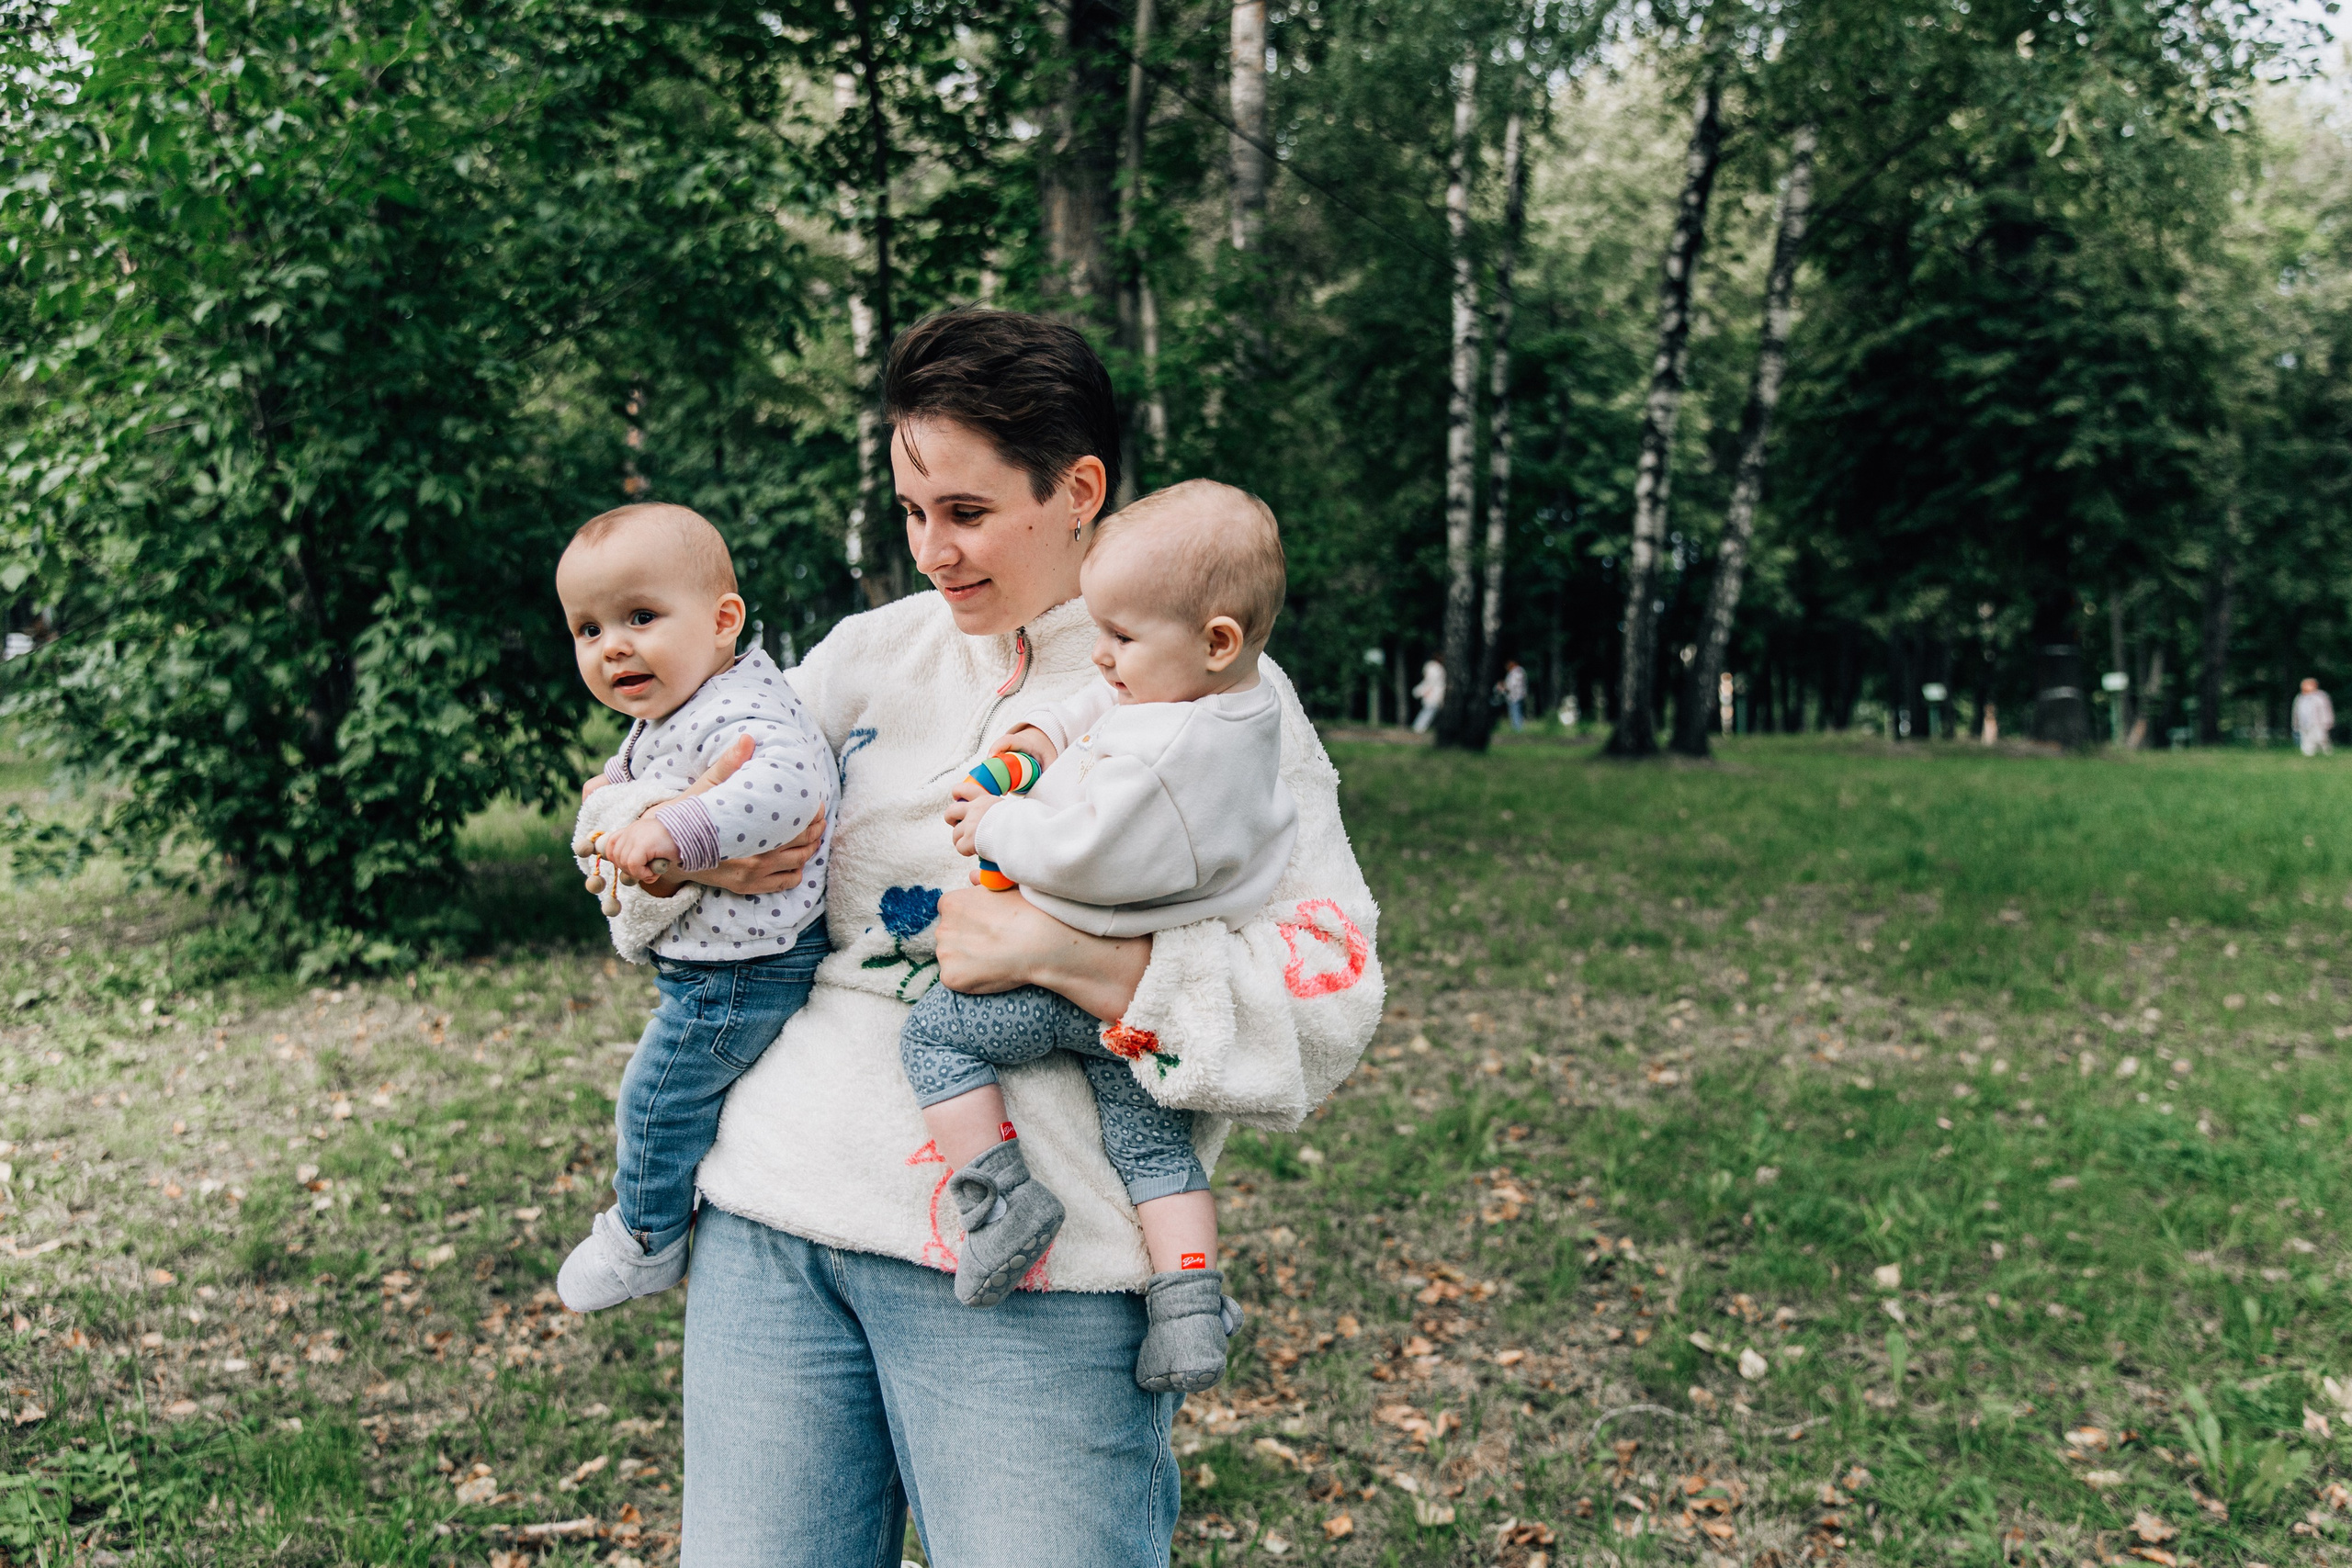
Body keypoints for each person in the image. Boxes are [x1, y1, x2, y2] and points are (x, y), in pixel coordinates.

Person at [594, 310, 1381, 1567]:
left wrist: (1077, 961)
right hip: (771, 1222)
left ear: (1078, 491)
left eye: (965, 511)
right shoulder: (870, 657)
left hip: (1041, 1270)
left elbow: (1327, 999)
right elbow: (643, 827)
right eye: (912, 510)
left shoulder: (1227, 708)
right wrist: (670, 850)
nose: (932, 551)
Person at [900, 479, 1294, 1393]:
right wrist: (1038, 738)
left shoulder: (1160, 766)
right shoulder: (1227, 701)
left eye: (1119, 637)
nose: (1102, 657)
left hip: (1063, 979)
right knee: (1155, 1148)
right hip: (1149, 1014)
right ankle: (1189, 1306)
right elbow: (1105, 703)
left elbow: (1081, 852)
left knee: (937, 1037)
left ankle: (1001, 1199)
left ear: (1216, 638)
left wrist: (994, 819)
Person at [552, 505, 833, 1312]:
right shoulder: (679, 706)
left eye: (640, 616)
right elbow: (650, 766)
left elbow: (785, 786)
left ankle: (645, 1237)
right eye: (589, 628)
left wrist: (673, 827)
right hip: (723, 964)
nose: (613, 645)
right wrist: (615, 793)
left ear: (722, 620)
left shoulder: (739, 708)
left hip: (747, 971)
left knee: (658, 1094)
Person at [2295, 677, 2335, 757]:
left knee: (2321, 738)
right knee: (2306, 739)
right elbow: (2296, 712)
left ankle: (2326, 752)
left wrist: (2328, 721)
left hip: (2318, 723)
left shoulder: (2320, 697)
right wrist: (2296, 723)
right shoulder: (2300, 698)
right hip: (2304, 723)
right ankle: (2308, 754)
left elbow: (2326, 710)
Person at [1411, 656, 1445, 732]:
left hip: (1433, 693)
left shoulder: (1432, 667)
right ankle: (1419, 727)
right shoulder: (1436, 668)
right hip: (1433, 693)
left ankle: (1419, 727)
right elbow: (1430, 681)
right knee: (1428, 711)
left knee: (1428, 711)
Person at [1498, 660, 1528, 733]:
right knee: (1516, 711)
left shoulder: (1516, 672)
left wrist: (1503, 687)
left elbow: (1513, 685)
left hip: (1515, 696)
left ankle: (1517, 729)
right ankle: (1516, 728)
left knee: (1515, 711)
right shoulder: (1519, 672)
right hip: (1517, 695)